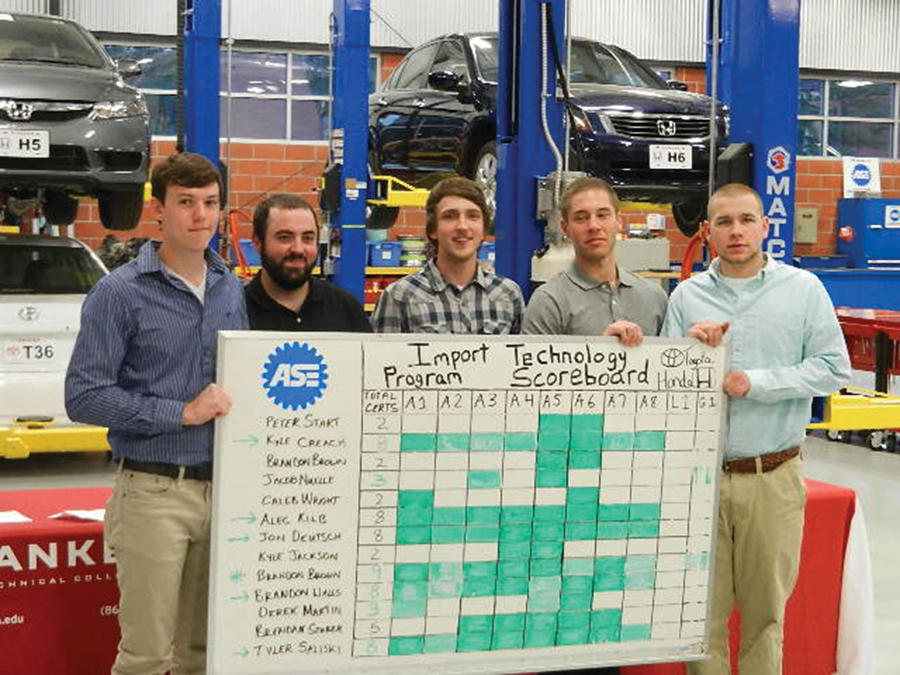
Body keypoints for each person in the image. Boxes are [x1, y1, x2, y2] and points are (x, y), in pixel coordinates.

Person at [65, 152, 247, 675]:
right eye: (186, 203)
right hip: (153, 492)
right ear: (159, 210)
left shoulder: (229, 287)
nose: (200, 215)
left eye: (210, 203)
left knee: (204, 655)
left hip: (224, 492)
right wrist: (181, 413)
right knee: (147, 656)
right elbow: (83, 396)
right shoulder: (119, 293)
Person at [662, 183, 851, 674]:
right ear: (708, 232)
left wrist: (757, 383)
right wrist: (688, 353)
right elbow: (665, 388)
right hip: (700, 482)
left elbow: (834, 368)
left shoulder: (803, 290)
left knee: (765, 619)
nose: (736, 231)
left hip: (773, 478)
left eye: (746, 220)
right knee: (700, 621)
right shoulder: (687, 297)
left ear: (765, 226)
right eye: (724, 222)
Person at [523, 176, 667, 346]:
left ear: (618, 221)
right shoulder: (548, 302)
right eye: (581, 218)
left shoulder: (655, 298)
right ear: (565, 228)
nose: (594, 226)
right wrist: (600, 350)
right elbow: (534, 363)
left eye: (602, 215)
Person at [371, 176, 524, 334]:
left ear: (483, 230)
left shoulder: (508, 294)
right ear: (432, 230)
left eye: (472, 216)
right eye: (450, 216)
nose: (462, 226)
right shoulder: (399, 296)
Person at [245, 192, 371, 332]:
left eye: (308, 238)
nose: (298, 249)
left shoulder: (346, 309)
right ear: (257, 242)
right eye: (284, 237)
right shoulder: (237, 311)